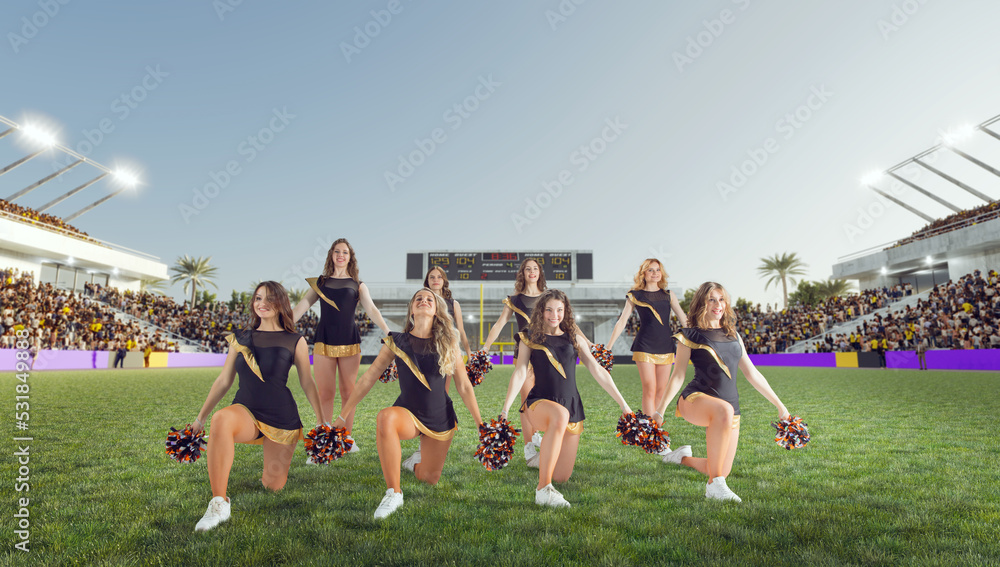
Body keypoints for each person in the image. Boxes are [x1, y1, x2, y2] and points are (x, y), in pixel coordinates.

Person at [333, 288, 483, 519]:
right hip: (408, 413)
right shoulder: (397, 341)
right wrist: (342, 416)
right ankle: (394, 492)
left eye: (429, 299)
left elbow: (463, 386)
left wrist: (480, 425)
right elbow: (368, 378)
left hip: (439, 418)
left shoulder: (449, 342)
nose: (423, 301)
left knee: (429, 478)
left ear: (436, 311)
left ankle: (413, 463)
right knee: (385, 418)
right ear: (412, 310)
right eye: (418, 299)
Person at [191, 281, 324, 532]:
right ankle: (219, 502)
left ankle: (268, 473)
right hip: (246, 410)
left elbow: (307, 381)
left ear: (281, 303)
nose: (262, 304)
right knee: (221, 419)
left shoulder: (295, 340)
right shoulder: (241, 337)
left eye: (269, 299)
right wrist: (200, 419)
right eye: (258, 298)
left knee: (273, 485)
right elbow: (223, 380)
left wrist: (320, 420)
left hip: (282, 417)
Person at [656, 282, 791, 503]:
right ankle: (713, 487)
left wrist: (780, 406)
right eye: (711, 299)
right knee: (723, 415)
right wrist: (659, 411)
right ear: (701, 303)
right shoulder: (689, 334)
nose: (717, 304)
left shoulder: (734, 335)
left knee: (716, 467)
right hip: (694, 399)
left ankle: (681, 458)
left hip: (730, 409)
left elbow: (752, 373)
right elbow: (678, 375)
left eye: (721, 299)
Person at [500, 289, 632, 508]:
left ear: (566, 312)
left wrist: (624, 404)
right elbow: (520, 372)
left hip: (572, 407)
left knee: (562, 476)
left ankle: (541, 458)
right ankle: (543, 489)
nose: (554, 314)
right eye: (549, 309)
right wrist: (505, 410)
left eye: (559, 310)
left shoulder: (574, 337)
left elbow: (597, 370)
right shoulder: (528, 336)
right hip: (540, 403)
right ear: (541, 311)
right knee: (559, 416)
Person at [292, 238, 390, 454]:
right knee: (325, 392)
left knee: (349, 392)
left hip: (349, 341)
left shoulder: (357, 284)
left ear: (350, 257)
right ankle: (325, 439)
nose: (340, 255)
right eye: (337, 251)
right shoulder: (321, 282)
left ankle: (346, 438)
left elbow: (372, 310)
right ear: (331, 255)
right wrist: (282, 324)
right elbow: (302, 306)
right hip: (323, 340)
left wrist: (387, 331)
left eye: (345, 252)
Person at [606, 258, 687, 459]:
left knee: (662, 391)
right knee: (649, 388)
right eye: (650, 270)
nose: (654, 273)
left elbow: (684, 319)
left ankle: (655, 432)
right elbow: (622, 321)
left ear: (662, 273)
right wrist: (608, 347)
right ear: (643, 273)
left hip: (666, 346)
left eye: (657, 270)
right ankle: (653, 436)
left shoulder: (669, 295)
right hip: (645, 346)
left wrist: (698, 338)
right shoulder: (635, 295)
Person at [481, 258, 546, 465]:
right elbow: (500, 324)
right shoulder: (515, 300)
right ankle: (529, 447)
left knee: (543, 398)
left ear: (540, 273)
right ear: (523, 273)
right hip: (524, 354)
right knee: (526, 400)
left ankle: (536, 433)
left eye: (535, 268)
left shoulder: (548, 297)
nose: (532, 272)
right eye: (528, 269)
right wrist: (486, 346)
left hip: (547, 353)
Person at [424, 267, 473, 360]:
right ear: (427, 281)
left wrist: (469, 353)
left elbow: (461, 331)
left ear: (444, 281)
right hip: (426, 348)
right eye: (432, 277)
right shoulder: (422, 303)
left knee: (446, 374)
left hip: (447, 349)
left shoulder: (454, 304)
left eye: (439, 277)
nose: (435, 280)